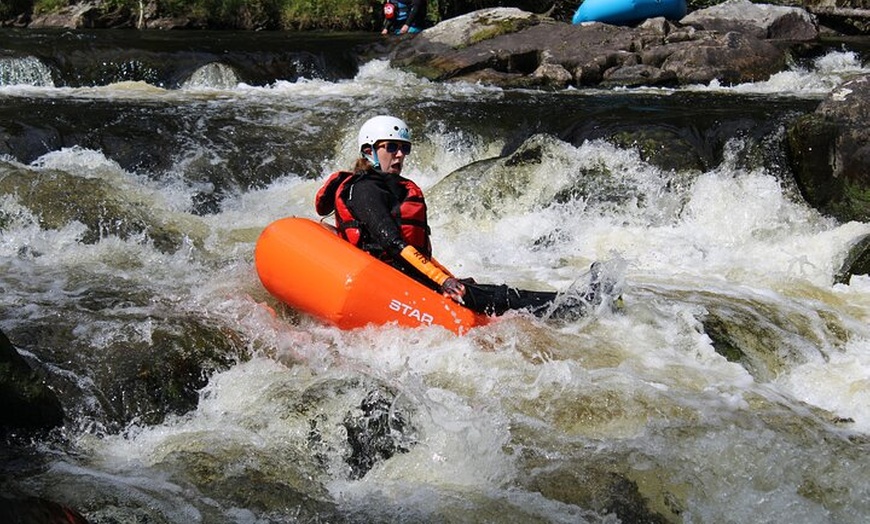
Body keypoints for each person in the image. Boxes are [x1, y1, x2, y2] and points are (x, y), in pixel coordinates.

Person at [315, 115, 613, 319]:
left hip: (403, 275)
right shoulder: (366, 189)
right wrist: (442, 282)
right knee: (493, 296)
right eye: (390, 147)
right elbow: (393, 243)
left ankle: (574, 302)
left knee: (486, 290)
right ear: (369, 151)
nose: (400, 155)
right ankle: (576, 306)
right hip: (392, 283)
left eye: (404, 148)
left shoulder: (379, 186)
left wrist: (443, 277)